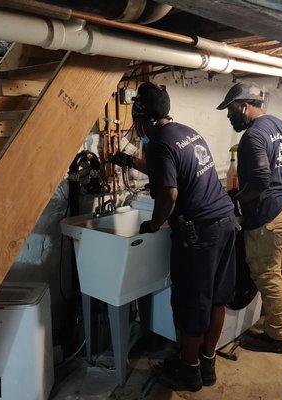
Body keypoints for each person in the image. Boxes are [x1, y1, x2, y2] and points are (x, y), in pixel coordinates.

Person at [111, 82, 236, 392]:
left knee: (193, 302)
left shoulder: (158, 142)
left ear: (146, 119)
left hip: (199, 232)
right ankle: (207, 363)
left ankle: (189, 371)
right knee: (216, 299)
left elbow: (169, 192)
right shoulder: (183, 131)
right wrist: (130, 161)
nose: (136, 130)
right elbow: (170, 170)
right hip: (225, 221)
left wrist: (154, 224)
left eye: (137, 122)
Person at [217, 82, 282, 354]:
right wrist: (281, 184)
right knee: (278, 273)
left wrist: (239, 199)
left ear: (244, 106)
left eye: (231, 110)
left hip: (268, 217)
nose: (229, 116)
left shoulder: (253, 136)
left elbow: (259, 178)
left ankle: (275, 337)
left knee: (267, 276)